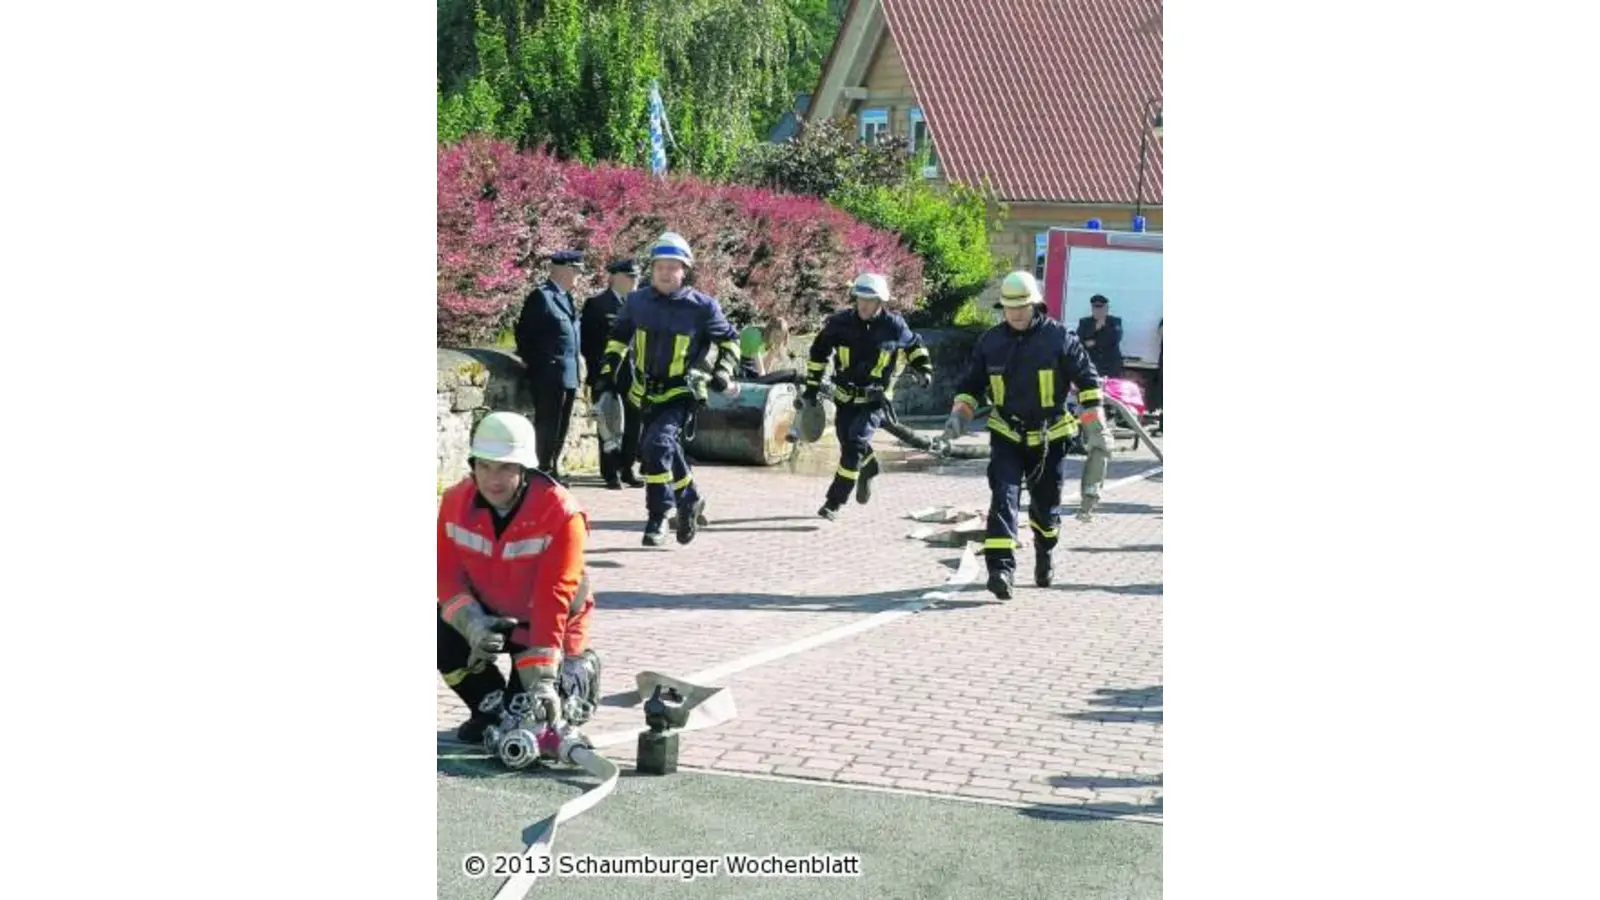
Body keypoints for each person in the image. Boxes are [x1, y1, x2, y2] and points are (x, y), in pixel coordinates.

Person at [941, 271, 1109, 600]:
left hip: (1051, 436)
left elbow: (1088, 383)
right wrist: (959, 415)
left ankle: (1045, 550)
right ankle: (1001, 570)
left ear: (1035, 305)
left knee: (1046, 509)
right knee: (1003, 497)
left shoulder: (1059, 338)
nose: (1015, 313)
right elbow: (971, 386)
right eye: (1009, 307)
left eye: (1022, 306)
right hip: (1007, 432)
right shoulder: (990, 342)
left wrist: (1095, 425)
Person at [437, 411, 601, 743]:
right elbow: (446, 576)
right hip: (491, 617)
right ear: (472, 465)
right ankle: (491, 709)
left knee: (539, 718)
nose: (492, 479)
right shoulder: (454, 502)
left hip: (547, 626)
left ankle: (579, 673)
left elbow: (554, 595)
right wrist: (473, 625)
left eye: (505, 468)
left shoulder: (562, 514)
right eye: (484, 466)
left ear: (524, 469)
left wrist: (543, 678)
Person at [594, 232, 741, 547]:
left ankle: (658, 515)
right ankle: (689, 498)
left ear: (684, 270)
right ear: (652, 269)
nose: (665, 273)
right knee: (663, 447)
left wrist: (723, 371)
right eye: (660, 266)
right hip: (644, 392)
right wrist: (606, 373)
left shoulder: (703, 307)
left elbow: (730, 342)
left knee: (657, 446)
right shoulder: (636, 302)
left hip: (681, 391)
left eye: (672, 267)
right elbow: (618, 338)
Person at [801, 273, 934, 520]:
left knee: (854, 446)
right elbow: (819, 352)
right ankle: (869, 465)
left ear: (880, 302)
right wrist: (811, 387)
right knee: (848, 442)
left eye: (869, 300)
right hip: (845, 399)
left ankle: (834, 502)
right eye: (860, 298)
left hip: (874, 402)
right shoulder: (840, 323)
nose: (863, 304)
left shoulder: (894, 326)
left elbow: (914, 345)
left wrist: (923, 369)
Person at [514, 250, 585, 485]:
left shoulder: (566, 298)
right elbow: (525, 336)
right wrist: (540, 365)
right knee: (547, 424)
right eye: (576, 271)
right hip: (549, 375)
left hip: (569, 374)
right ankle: (542, 469)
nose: (579, 276)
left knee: (562, 425)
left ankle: (553, 467)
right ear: (563, 270)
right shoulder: (541, 297)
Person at [580, 259, 644, 489]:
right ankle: (610, 472)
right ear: (614, 277)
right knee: (607, 423)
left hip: (634, 375)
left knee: (634, 422)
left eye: (637, 277)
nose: (634, 281)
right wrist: (598, 374)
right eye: (630, 277)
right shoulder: (597, 304)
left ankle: (627, 468)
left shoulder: (641, 305)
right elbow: (587, 343)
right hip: (606, 374)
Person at [1075, 293, 1124, 379]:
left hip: (1111, 365)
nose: (1097, 311)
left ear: (1106, 309)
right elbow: (1079, 341)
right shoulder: (1084, 322)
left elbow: (1115, 338)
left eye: (1100, 308)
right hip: (1092, 365)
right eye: (1095, 308)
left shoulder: (1115, 322)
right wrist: (1095, 328)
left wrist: (1094, 342)